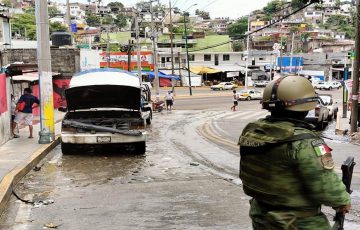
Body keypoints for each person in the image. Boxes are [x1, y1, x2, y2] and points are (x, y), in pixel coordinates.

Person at [238, 75, 351, 229]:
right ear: (306, 107)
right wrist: (342, 201)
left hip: (262, 217)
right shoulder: (303, 141)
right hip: (298, 223)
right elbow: (325, 186)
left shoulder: (253, 130)